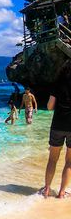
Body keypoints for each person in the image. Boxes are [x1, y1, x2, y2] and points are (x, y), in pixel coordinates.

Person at [40, 64, 71, 198]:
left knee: (52, 159)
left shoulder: (58, 85)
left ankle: (46, 189)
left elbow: (49, 106)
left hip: (58, 125)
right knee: (69, 162)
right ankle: (62, 192)